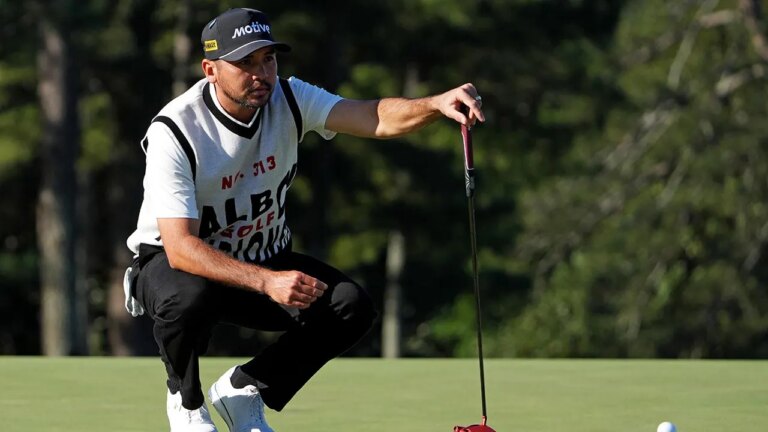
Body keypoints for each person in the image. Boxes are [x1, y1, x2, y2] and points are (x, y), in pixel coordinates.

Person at [123, 7, 485, 432]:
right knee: (187, 296)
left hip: (260, 259)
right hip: (175, 266)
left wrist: (436, 104)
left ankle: (244, 390)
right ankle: (186, 403)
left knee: (350, 307)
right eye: (245, 63)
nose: (261, 73)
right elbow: (182, 249)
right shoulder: (177, 129)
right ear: (210, 70)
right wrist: (267, 282)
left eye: (268, 59)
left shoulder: (290, 97)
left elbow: (373, 117)